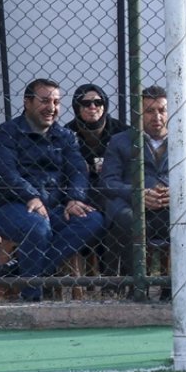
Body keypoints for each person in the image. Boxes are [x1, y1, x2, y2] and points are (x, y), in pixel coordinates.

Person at [0, 78, 106, 302]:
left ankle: (19, 272)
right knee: (37, 227)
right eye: (45, 101)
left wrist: (74, 199)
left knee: (94, 219)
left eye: (56, 102)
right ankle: (32, 297)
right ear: (27, 102)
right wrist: (31, 195)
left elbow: (78, 171)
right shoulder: (6, 133)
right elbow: (4, 173)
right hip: (14, 208)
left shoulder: (66, 136)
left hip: (55, 207)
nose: (51, 108)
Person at [100, 85, 186, 296]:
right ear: (139, 113)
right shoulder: (120, 141)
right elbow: (108, 182)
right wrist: (139, 194)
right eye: (149, 111)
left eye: (162, 110)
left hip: (176, 208)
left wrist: (177, 194)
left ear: (171, 111)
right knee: (124, 221)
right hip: (137, 209)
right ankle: (137, 287)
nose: (156, 116)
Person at [65, 83, 127, 278]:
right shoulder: (67, 134)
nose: (93, 107)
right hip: (81, 192)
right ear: (77, 107)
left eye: (98, 102)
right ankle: (87, 275)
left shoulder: (121, 132)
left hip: (114, 190)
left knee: (112, 210)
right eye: (86, 103)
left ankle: (112, 275)